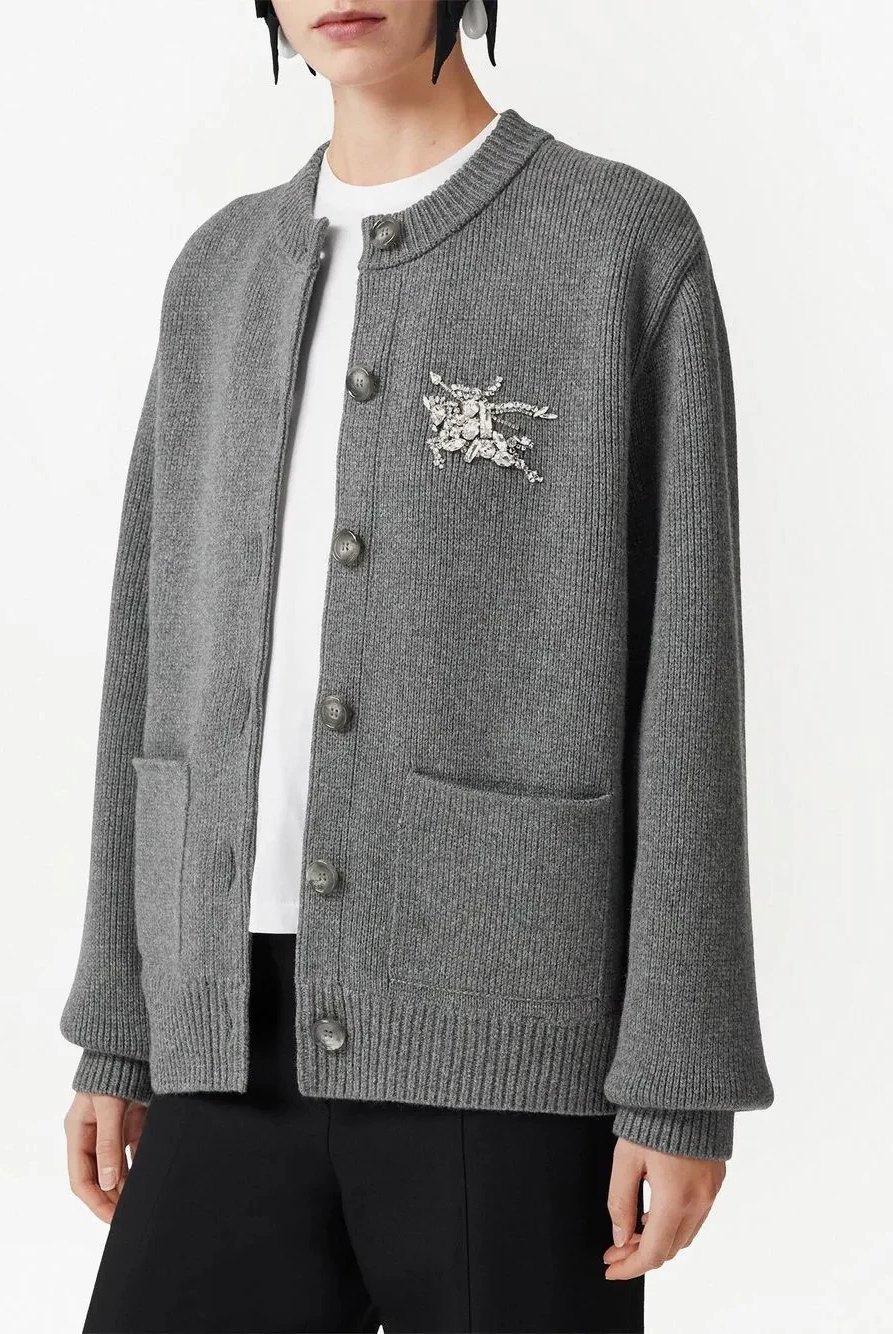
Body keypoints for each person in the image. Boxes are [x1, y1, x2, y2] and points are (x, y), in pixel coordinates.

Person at [59, 2, 774, 1330]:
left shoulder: (621, 246)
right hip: (225, 1036)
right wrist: (120, 1020)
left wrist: (680, 1077)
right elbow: (146, 657)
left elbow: (686, 682)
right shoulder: (219, 272)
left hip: (513, 1051)